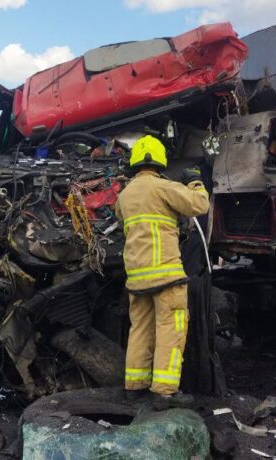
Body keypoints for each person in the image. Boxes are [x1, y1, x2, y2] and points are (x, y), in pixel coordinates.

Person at [115, 135, 210, 406]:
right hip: (166, 274)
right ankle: (164, 393)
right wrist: (195, 181)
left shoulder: (124, 195)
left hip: (137, 277)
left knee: (140, 330)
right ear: (160, 162)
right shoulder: (164, 187)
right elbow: (199, 205)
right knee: (171, 330)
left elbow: (122, 219)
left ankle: (134, 387)